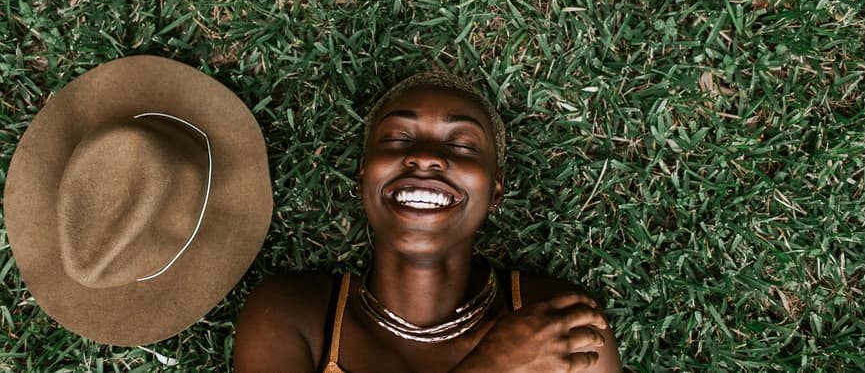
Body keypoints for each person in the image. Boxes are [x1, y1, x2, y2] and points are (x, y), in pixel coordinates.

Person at [234, 72, 621, 372]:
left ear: (495, 192)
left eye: (462, 144)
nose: (425, 157)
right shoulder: (291, 315)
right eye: (398, 138)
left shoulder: (561, 323)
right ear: (363, 176)